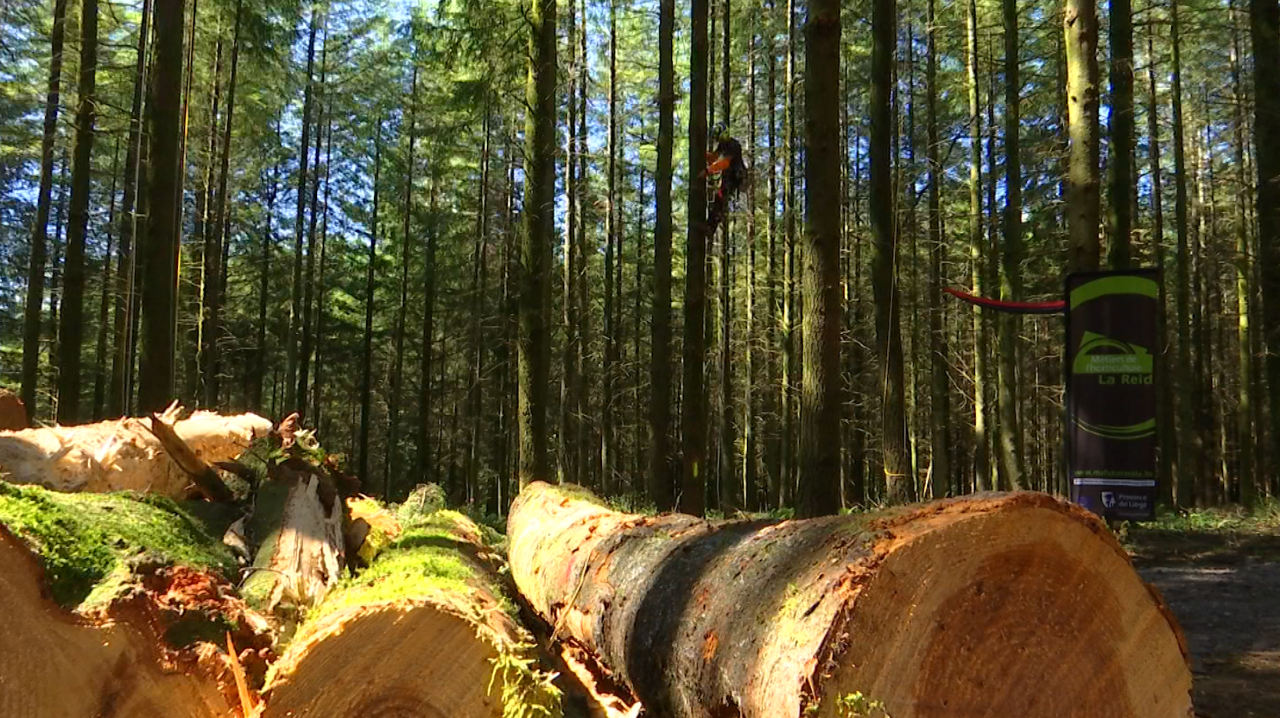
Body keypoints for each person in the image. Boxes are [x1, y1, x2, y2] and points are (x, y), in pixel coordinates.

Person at [702, 122, 746, 234]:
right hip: (728, 176)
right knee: (718, 198)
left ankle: (710, 227)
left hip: (735, 176)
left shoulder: (733, 144)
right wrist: (702, 153)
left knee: (720, 199)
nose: (717, 140)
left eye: (718, 137)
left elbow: (725, 163)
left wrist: (708, 170)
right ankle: (710, 225)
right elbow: (713, 158)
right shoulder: (723, 145)